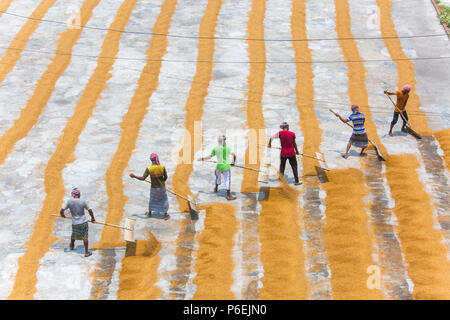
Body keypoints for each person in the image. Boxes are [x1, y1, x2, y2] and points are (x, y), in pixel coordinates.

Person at [130, 153, 170, 220]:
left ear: (151, 160)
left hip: (154, 188)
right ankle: (165, 215)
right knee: (164, 199)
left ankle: (150, 213)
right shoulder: (162, 167)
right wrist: (161, 182)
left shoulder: (149, 169)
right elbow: (166, 177)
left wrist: (134, 176)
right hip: (162, 187)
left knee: (152, 200)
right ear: (157, 158)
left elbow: (143, 178)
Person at [198, 135, 237, 200]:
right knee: (227, 180)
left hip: (218, 167)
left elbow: (209, 156)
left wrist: (202, 159)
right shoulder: (228, 148)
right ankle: (229, 195)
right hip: (226, 167)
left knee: (218, 177)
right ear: (224, 141)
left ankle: (216, 188)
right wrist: (233, 162)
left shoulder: (215, 148)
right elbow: (234, 155)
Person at [60, 187, 95, 257]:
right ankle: (86, 252)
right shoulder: (83, 201)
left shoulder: (69, 201)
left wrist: (62, 215)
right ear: (79, 194)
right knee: (85, 237)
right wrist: (92, 218)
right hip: (83, 222)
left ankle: (72, 245)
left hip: (75, 223)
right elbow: (90, 210)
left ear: (73, 195)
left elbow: (62, 210)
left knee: (74, 234)